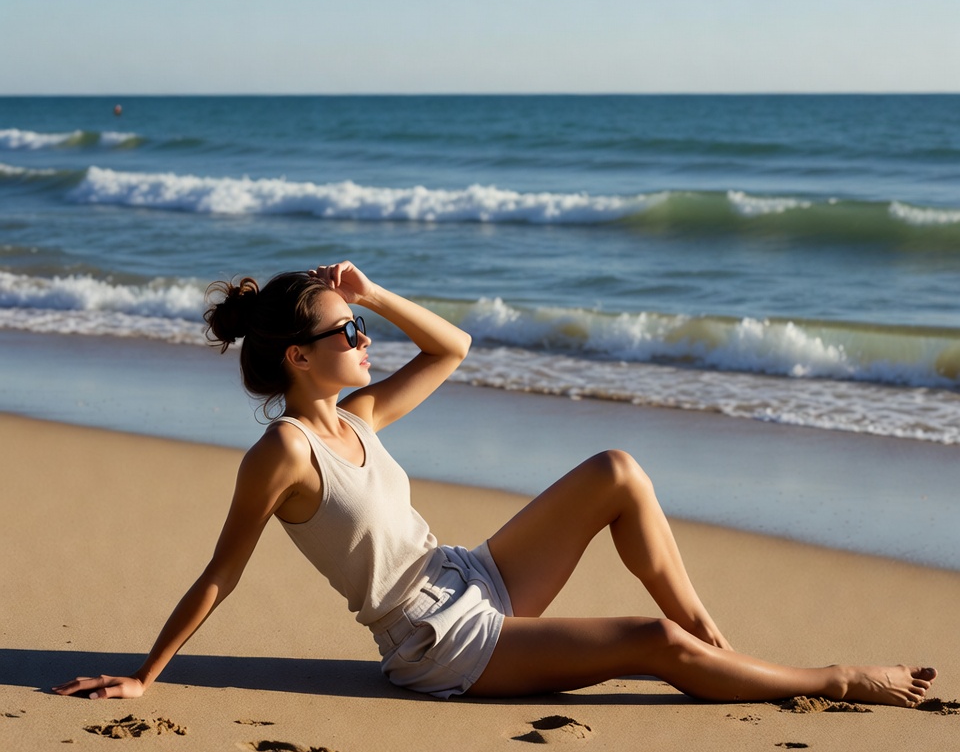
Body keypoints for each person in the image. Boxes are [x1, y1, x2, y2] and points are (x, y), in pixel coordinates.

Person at [54, 262, 937, 707]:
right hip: (436, 639)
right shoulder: (285, 454)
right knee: (650, 640)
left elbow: (453, 349)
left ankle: (722, 648)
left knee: (616, 472)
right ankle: (833, 680)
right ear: (297, 355)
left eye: (359, 325)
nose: (363, 337)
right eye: (346, 328)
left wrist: (378, 291)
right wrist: (146, 677)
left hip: (469, 575)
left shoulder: (357, 415)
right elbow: (222, 574)